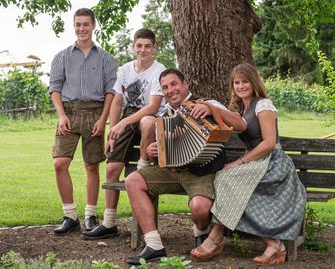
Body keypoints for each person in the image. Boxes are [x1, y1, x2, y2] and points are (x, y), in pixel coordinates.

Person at [124, 69, 247, 265]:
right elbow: (158, 152)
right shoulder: (164, 114)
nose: (170, 90)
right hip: (172, 172)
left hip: (202, 172)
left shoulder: (207, 103)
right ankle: (154, 245)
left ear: (185, 84)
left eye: (174, 84)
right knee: (133, 180)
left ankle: (201, 231)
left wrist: (211, 109)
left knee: (199, 208)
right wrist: (152, 150)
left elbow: (241, 124)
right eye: (165, 87)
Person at [191, 63, 307, 266]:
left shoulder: (263, 105)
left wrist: (240, 162)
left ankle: (216, 239)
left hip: (274, 164)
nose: (241, 86)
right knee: (226, 180)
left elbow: (269, 143)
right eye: (236, 82)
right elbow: (223, 122)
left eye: (245, 81)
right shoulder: (240, 110)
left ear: (253, 83)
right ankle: (273, 245)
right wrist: (208, 108)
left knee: (229, 181)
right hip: (259, 162)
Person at [82, 28, 166, 240]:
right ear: (133, 47)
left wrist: (123, 123)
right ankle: (110, 222)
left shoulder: (159, 70)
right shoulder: (125, 70)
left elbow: (154, 106)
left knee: (147, 122)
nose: (143, 50)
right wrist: (113, 128)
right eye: (139, 45)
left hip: (149, 116)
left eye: (147, 46)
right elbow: (118, 101)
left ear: (154, 48)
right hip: (128, 118)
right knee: (112, 168)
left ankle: (143, 166)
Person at [49, 8, 117, 236]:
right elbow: (55, 88)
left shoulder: (106, 59)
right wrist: (61, 115)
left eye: (86, 24)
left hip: (94, 112)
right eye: (78, 24)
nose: (82, 29)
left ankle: (90, 215)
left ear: (93, 26)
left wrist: (103, 119)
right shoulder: (61, 56)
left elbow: (110, 92)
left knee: (91, 165)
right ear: (74, 26)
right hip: (68, 112)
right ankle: (70, 215)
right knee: (60, 163)